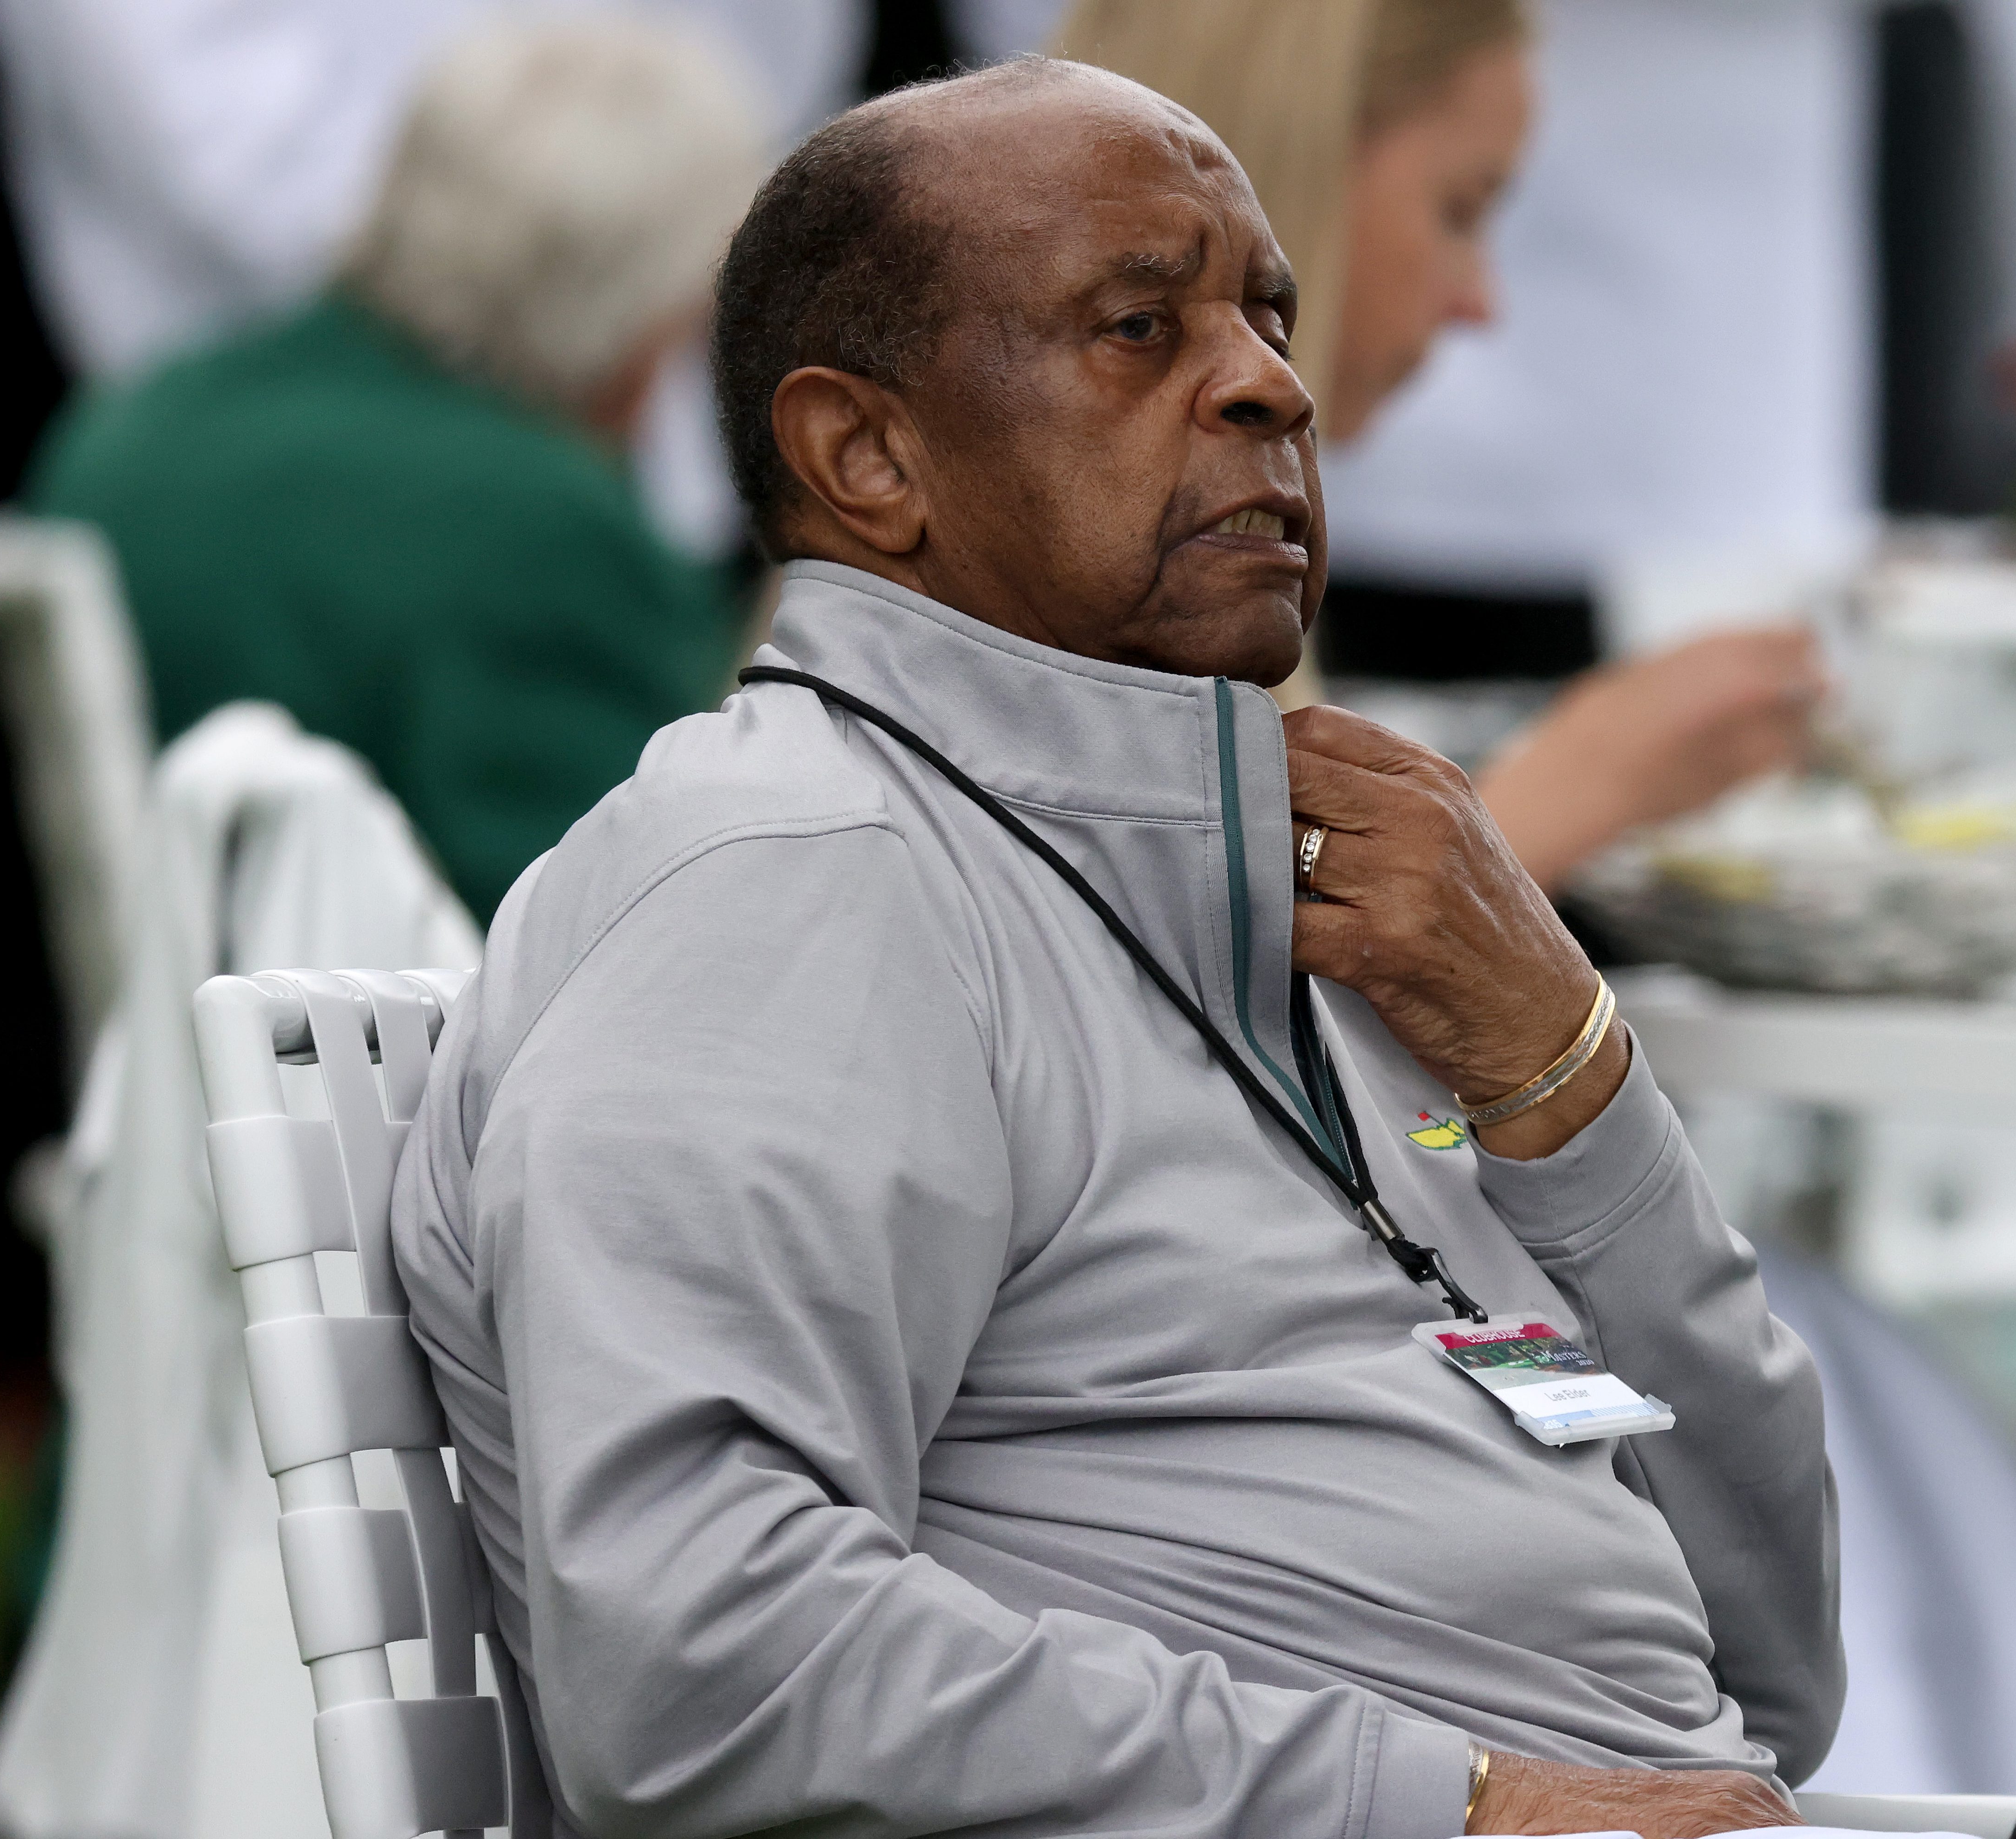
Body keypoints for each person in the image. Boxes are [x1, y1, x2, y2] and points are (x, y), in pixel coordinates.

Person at [394, 57, 1839, 1839]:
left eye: (1268, 315)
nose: (1269, 384)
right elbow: (706, 1663)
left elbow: (1769, 1673)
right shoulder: (801, 878)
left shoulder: (1273, 896)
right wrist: (1459, 1807)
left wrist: (1570, 1077)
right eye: (1138, 329)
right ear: (863, 454)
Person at [1052, 0, 1826, 893]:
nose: (1480, 303)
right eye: (1460, 211)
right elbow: (1184, 986)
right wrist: (1587, 779)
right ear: (1298, 174)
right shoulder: (1075, 564)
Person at [27, 19, 766, 920]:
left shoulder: (138, 428)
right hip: (408, 1045)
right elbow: (651, 933)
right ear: (641, 316)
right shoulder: (546, 531)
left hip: (184, 1022)